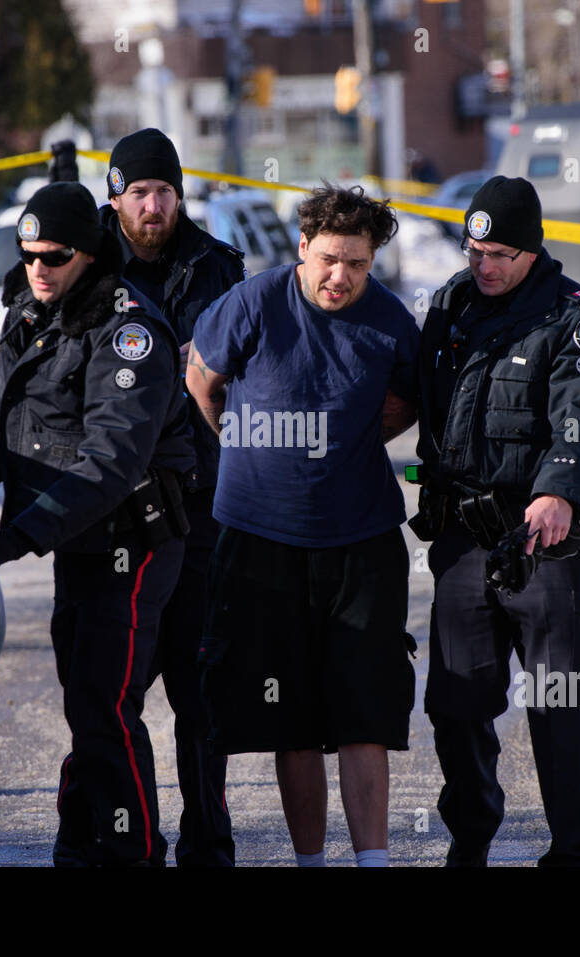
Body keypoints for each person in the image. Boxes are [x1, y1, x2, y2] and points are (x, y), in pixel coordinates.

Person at [0, 182, 195, 867]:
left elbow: (110, 460)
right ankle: (84, 837)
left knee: (105, 702)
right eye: (27, 257)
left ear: (88, 251)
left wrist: (19, 534)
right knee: (87, 700)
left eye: (53, 256)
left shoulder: (128, 329)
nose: (37, 269)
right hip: (75, 540)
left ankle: (128, 849)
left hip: (131, 542)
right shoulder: (31, 311)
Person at [187, 184, 419, 867]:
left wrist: (354, 438)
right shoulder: (254, 302)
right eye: (326, 259)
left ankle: (372, 860)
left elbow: (404, 404)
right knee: (289, 718)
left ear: (372, 260)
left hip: (362, 541)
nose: (339, 275)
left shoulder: (392, 321)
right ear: (302, 249)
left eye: (355, 262)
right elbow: (203, 380)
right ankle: (310, 861)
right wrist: (248, 450)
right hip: (260, 542)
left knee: (364, 714)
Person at [412, 175, 580, 867]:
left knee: (561, 707)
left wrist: (561, 490)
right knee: (456, 704)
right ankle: (470, 841)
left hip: (548, 545)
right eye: (476, 251)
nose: (485, 266)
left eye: (500, 253)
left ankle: (573, 854)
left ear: (531, 249)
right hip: (464, 538)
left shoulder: (577, 317)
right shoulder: (449, 305)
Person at [91, 128, 245, 867]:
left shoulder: (220, 269)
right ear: (115, 196)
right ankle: (123, 839)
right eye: (139, 192)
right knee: (110, 691)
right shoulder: (86, 266)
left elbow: (253, 378)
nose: (153, 206)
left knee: (202, 687)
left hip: (204, 506)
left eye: (164, 191)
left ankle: (209, 839)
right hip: (113, 515)